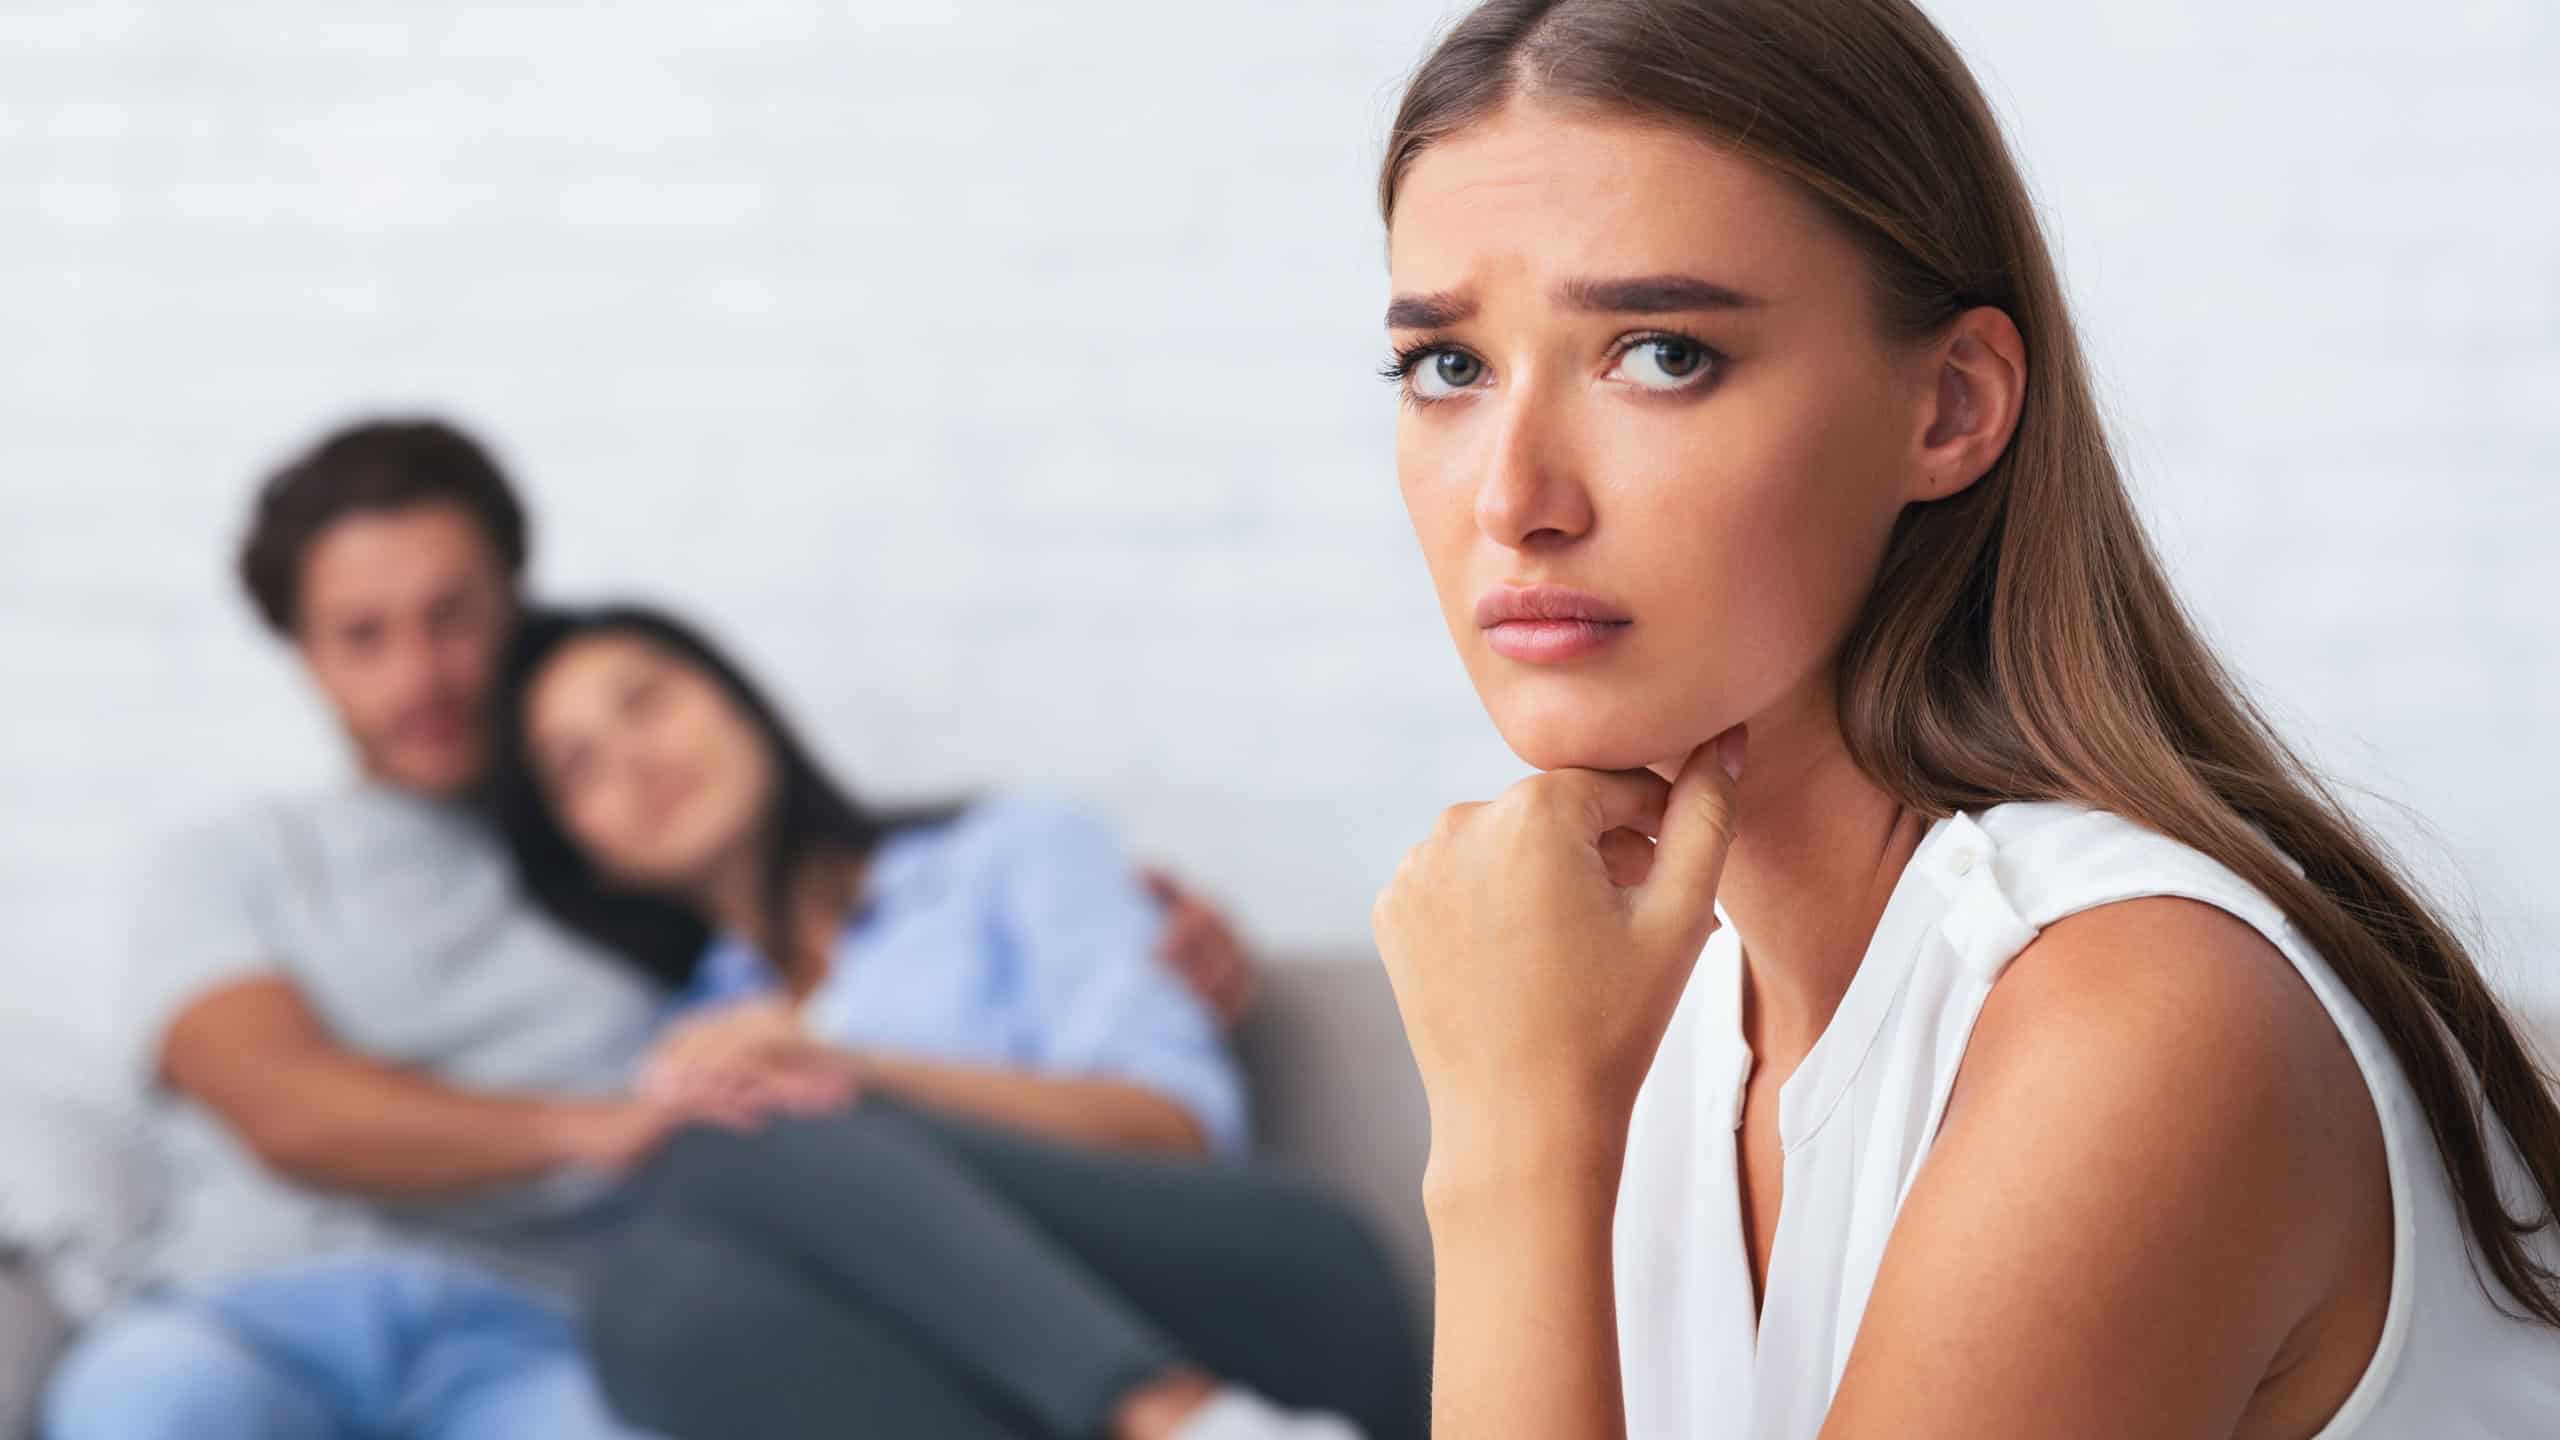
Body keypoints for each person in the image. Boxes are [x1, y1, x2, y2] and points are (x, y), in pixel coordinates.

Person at [1360, 2, 2560, 1437]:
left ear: (1951, 405)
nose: (1514, 500)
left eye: (1662, 354)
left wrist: (1515, 1144)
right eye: (1448, 366)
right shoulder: (1659, 994)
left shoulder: (2145, 1026)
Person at [42, 419, 1275, 1440]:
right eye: (364, 637)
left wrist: (1165, 949)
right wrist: (604, 1126)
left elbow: (844, 971)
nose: (419, 674)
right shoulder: (230, 862)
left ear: (514, 602)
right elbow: (286, 1108)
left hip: (537, 1338)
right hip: (243, 1308)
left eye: (453, 615)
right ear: (304, 658)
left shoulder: (627, 880)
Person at [483, 604, 1422, 1440]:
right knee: (650, 1311)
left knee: (748, 1125)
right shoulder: (696, 1032)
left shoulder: (1016, 850)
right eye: (580, 768)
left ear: (735, 699)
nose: (635, 762)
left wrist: (857, 1073)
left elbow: (1171, 1131)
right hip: (990, 1389)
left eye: (644, 701)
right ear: (584, 852)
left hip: (1263, 1292)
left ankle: (1170, 1413)